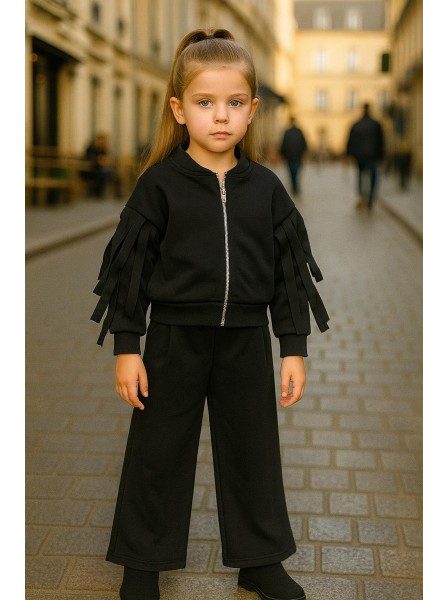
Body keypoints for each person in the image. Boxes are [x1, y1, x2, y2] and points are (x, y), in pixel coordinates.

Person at [90, 28, 330, 600]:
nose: (220, 116)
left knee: (253, 451)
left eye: (234, 102)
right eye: (205, 102)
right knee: (157, 451)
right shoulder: (159, 186)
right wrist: (128, 347)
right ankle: (142, 566)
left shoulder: (267, 189)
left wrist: (293, 349)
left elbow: (289, 274)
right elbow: (131, 270)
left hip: (245, 340)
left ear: (253, 109)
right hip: (173, 339)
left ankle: (260, 562)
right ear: (179, 109)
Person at [346, 102, 385, 210]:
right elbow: (381, 142)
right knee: (373, 177)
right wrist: (382, 157)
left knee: (360, 176)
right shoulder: (376, 125)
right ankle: (371, 198)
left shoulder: (356, 125)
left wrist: (349, 155)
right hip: (373, 156)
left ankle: (362, 196)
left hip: (360, 156)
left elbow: (351, 141)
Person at [279, 116, 308, 196]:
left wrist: (282, 154)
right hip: (297, 156)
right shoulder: (299, 132)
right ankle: (295, 187)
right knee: (296, 172)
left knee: (291, 173)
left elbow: (283, 145)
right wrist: (303, 153)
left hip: (289, 156)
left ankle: (294, 187)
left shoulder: (287, 132)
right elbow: (304, 144)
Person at [84, 132, 115, 198]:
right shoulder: (91, 148)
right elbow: (94, 160)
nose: (105, 142)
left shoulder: (103, 149)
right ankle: (98, 193)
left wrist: (103, 161)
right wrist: (101, 161)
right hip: (89, 170)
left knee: (112, 172)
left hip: (99, 168)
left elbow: (105, 160)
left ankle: (115, 193)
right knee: (103, 173)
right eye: (103, 141)